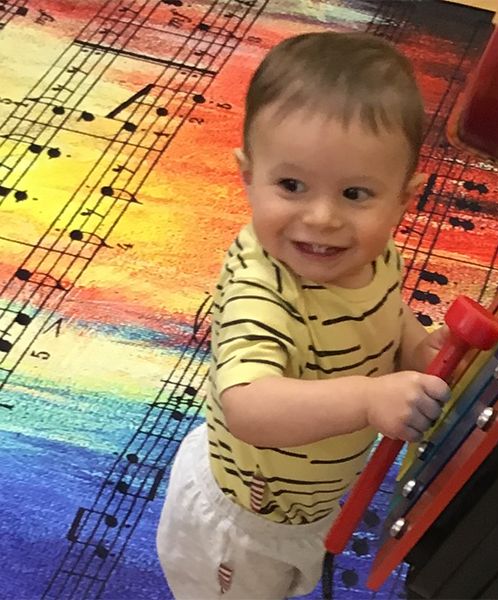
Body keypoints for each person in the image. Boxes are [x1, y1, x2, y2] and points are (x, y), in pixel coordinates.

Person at [157, 31, 451, 599]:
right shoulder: (262, 293)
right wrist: (369, 400)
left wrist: (416, 348)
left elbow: (386, 311)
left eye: (356, 194)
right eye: (291, 185)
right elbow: (249, 404)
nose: (321, 218)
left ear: (403, 199)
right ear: (247, 175)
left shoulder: (375, 255)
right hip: (244, 522)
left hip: (306, 495)